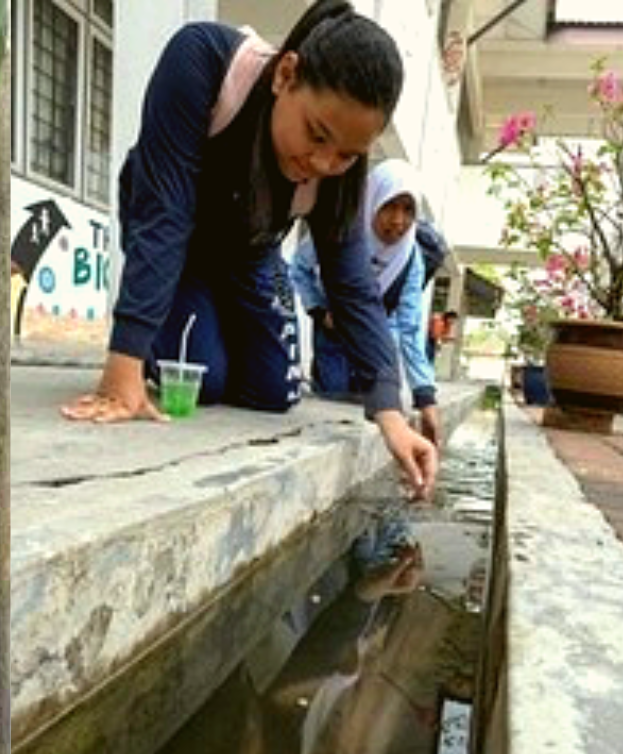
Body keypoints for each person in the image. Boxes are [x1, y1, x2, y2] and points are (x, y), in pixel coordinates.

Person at [59, 1, 437, 499]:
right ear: (286, 74)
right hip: (182, 238)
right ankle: (177, 331)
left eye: (347, 154)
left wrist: (391, 413)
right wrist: (121, 370)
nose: (324, 163)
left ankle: (204, 324)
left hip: (251, 251)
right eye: (317, 135)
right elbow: (164, 215)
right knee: (203, 383)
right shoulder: (203, 63)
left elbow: (351, 285)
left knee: (274, 392)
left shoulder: (337, 170)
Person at [291, 158, 442, 445]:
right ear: (373, 198)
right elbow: (298, 267)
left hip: (371, 343)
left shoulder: (411, 259)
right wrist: (319, 311)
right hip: (333, 335)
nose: (398, 221)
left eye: (408, 209)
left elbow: (409, 329)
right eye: (389, 206)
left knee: (369, 404)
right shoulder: (344, 231)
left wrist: (425, 397)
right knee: (332, 399)